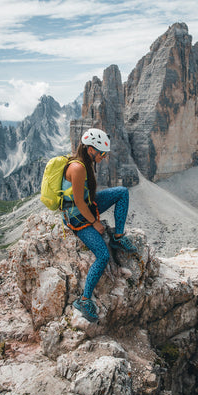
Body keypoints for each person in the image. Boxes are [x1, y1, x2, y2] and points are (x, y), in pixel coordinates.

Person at [61, 128, 137, 322]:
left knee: (122, 192)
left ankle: (118, 238)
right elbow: (78, 201)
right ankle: (84, 300)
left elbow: (85, 198)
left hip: (87, 206)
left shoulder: (84, 163)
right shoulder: (78, 168)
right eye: (101, 153)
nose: (103, 157)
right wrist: (95, 223)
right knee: (102, 256)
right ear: (89, 150)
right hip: (78, 218)